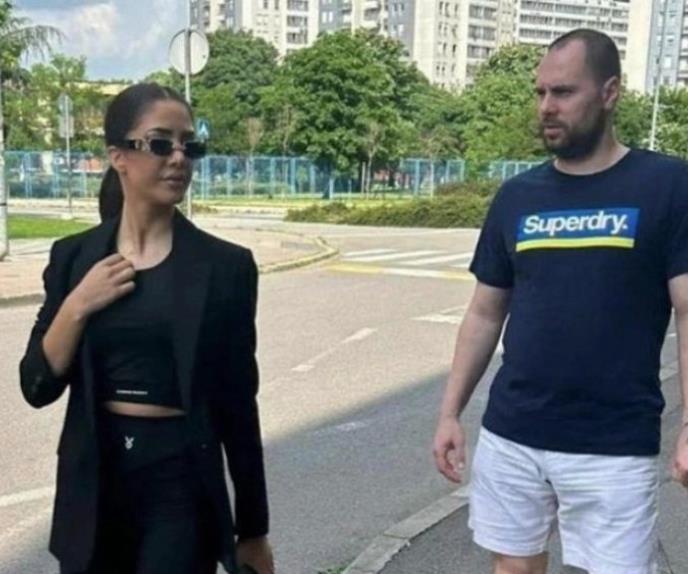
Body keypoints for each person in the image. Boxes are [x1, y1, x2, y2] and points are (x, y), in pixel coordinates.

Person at [433, 29, 688, 574]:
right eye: (541, 92)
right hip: (514, 432)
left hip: (614, 443)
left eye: (564, 92)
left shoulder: (667, 186)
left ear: (610, 92)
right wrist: (450, 412)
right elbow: (484, 312)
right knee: (513, 567)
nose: (547, 106)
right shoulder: (517, 196)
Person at [19, 83, 275, 574]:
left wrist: (253, 530)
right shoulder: (74, 258)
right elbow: (37, 385)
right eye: (160, 143)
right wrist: (77, 305)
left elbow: (239, 406)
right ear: (118, 156)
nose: (178, 158)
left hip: (180, 483)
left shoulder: (225, 267)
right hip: (94, 481)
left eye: (189, 145)